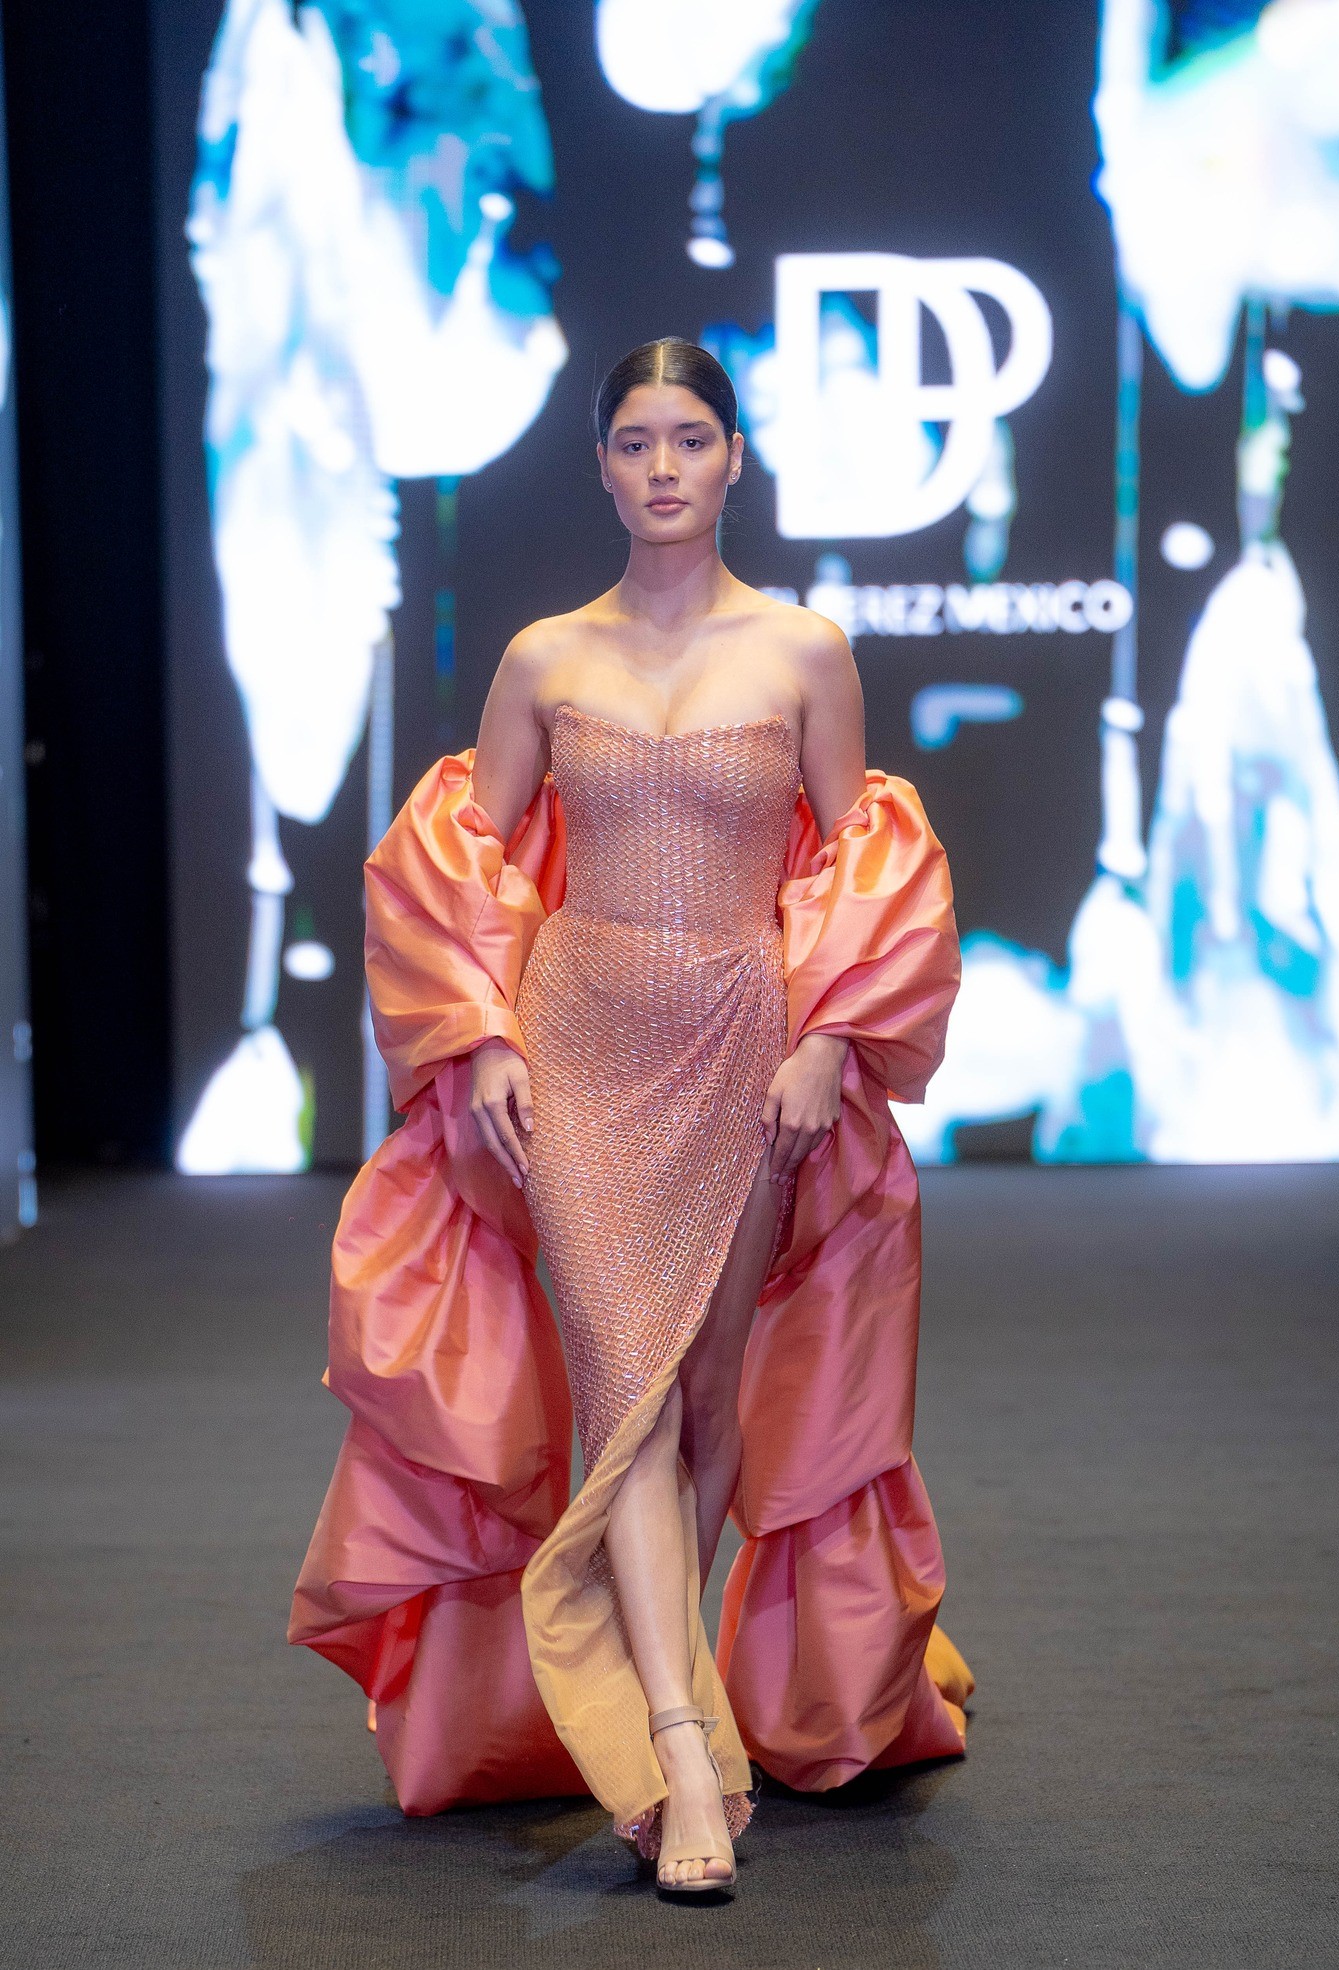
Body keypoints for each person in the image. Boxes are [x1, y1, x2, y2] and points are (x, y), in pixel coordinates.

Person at [290, 338, 972, 1900]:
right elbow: (459, 860)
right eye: (635, 440)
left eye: (690, 437)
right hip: (581, 1051)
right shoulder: (543, 657)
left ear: (734, 458)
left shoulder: (802, 651)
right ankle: (676, 1750)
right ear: (599, 465)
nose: (663, 465)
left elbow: (860, 858)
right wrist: (480, 1033)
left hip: (744, 1056)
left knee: (713, 1389)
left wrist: (830, 1037)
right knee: (630, 1401)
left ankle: (683, 1689)